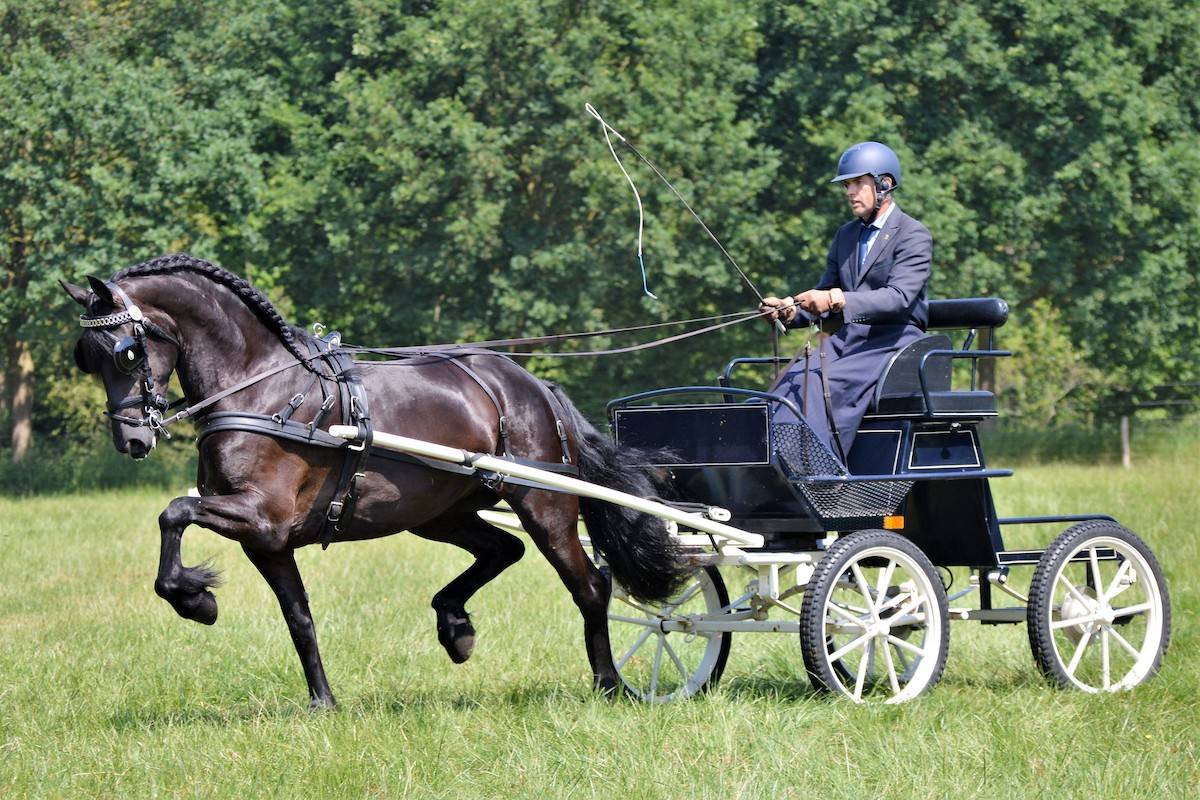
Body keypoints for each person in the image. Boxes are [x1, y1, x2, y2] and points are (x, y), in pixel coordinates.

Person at [760, 141, 931, 464]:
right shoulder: (846, 235)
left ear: (884, 184)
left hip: (893, 341)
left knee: (816, 383)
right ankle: (770, 465)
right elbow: (824, 293)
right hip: (849, 340)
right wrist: (789, 311)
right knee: (787, 382)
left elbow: (899, 298)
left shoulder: (913, 234)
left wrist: (836, 299)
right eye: (847, 185)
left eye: (858, 183)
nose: (850, 192)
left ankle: (816, 472)